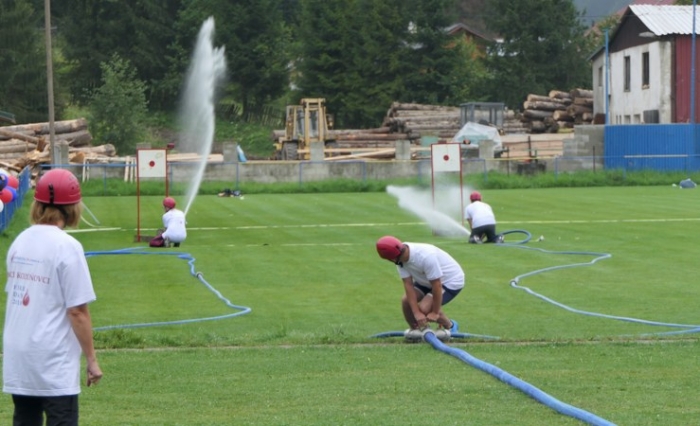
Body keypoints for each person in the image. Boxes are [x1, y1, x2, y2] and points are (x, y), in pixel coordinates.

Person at [3, 168, 103, 425]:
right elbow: (77, 311)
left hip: (19, 356)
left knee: (25, 419)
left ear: (37, 204)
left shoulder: (19, 242)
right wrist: (91, 360)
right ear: (72, 208)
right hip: (52, 358)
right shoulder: (67, 246)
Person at [376, 235, 463, 333]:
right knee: (406, 301)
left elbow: (437, 285)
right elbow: (408, 285)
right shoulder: (400, 259)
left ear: (391, 258)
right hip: (427, 279)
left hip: (450, 280)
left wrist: (435, 312)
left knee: (425, 308)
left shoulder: (425, 256)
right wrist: (416, 313)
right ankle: (415, 331)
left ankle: (450, 326)